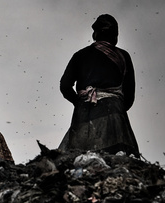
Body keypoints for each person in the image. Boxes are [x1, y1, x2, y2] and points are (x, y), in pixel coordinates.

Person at [58, 14, 138, 154]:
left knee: (80, 159)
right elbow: (129, 95)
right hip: (114, 113)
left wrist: (80, 102)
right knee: (118, 158)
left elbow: (65, 86)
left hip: (84, 113)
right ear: (115, 35)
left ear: (95, 33)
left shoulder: (80, 55)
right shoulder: (123, 56)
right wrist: (117, 108)